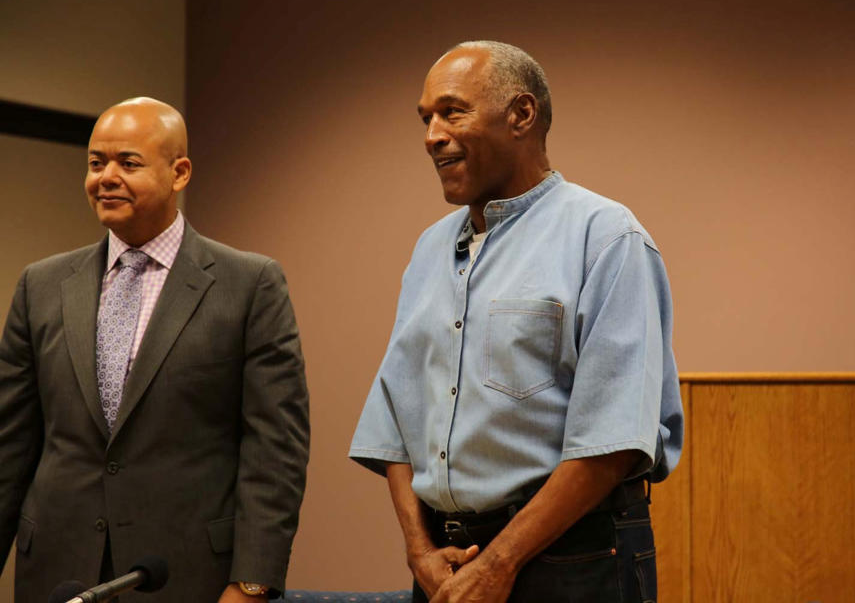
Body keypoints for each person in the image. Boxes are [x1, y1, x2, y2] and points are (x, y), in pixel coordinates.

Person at [349, 41, 683, 603]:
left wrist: (500, 563)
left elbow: (611, 442)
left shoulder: (607, 238)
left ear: (522, 115)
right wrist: (420, 552)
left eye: (452, 111)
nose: (432, 134)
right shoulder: (430, 249)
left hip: (575, 559)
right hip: (447, 566)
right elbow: (397, 424)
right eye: (426, 118)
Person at [0, 98, 310, 602]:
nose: (106, 177)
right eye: (96, 163)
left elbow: (276, 450)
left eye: (128, 162)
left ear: (179, 173)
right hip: (58, 575)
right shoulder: (42, 284)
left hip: (182, 574)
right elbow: (9, 445)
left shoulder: (249, 284)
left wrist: (252, 582)